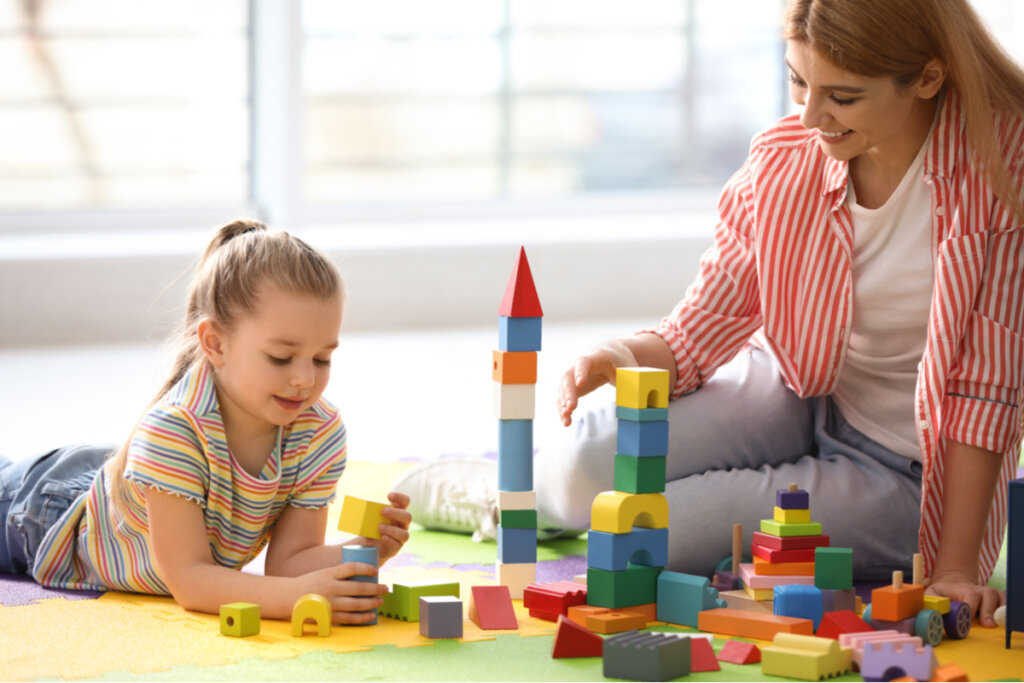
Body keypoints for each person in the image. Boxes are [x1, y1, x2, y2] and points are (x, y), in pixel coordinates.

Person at [396, 0, 1023, 628]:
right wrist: (624, 354)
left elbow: (986, 389)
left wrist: (956, 571)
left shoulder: (1002, 167)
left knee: (656, 535)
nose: (809, 115)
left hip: (911, 471)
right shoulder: (787, 157)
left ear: (927, 78)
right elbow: (711, 316)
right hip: (799, 390)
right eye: (798, 80)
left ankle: (535, 506)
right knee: (587, 465)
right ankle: (510, 498)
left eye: (843, 96)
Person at [0, 220, 412, 624]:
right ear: (215, 343)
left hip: (125, 487)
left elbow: (289, 564)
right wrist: (300, 596)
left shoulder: (317, 432)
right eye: (280, 358)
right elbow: (191, 580)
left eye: (322, 358)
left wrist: (364, 548)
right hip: (44, 512)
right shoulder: (174, 430)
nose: (305, 379)